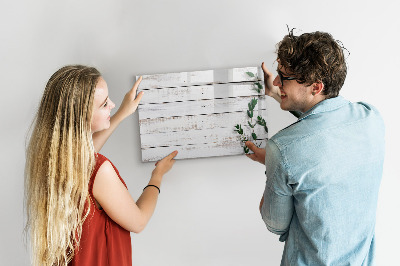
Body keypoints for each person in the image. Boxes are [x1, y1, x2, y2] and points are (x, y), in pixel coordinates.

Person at [245, 30, 385, 265]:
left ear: (316, 87)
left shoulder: (282, 149)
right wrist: (278, 94)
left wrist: (272, 163)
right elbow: (324, 124)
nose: (277, 81)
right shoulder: (371, 118)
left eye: (284, 77)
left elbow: (275, 224)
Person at [24, 65, 177, 266]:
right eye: (105, 104)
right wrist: (157, 176)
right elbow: (138, 221)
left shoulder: (53, 160)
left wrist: (122, 113)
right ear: (81, 117)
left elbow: (86, 156)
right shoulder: (99, 170)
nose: (112, 104)